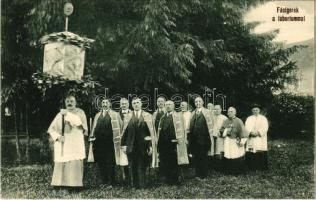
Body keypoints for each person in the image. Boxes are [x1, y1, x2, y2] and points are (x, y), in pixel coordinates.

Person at [47, 94, 88, 190]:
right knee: (62, 162)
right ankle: (59, 184)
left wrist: (67, 114)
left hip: (75, 142)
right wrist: (57, 137)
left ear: (76, 102)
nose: (69, 103)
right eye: (67, 101)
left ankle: (75, 185)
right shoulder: (60, 114)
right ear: (65, 103)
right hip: (63, 143)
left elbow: (80, 123)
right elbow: (51, 129)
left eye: (72, 101)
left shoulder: (80, 112)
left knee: (74, 162)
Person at [121, 97, 158, 188]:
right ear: (132, 105)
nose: (136, 105)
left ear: (141, 104)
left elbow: (151, 133)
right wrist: (124, 145)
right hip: (131, 145)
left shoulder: (147, 116)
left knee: (142, 165)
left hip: (143, 145)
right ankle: (134, 184)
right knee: (132, 165)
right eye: (134, 103)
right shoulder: (127, 116)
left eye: (137, 103)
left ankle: (142, 184)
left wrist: (150, 146)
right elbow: (124, 132)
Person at [90, 99, 123, 185]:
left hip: (110, 143)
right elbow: (94, 127)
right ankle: (104, 181)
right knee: (101, 161)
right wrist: (92, 137)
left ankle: (111, 182)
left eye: (106, 103)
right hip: (99, 143)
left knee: (110, 162)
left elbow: (121, 127)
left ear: (110, 104)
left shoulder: (115, 115)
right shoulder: (97, 115)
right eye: (103, 103)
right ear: (101, 104)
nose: (105, 104)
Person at [157, 101, 189, 185]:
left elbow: (183, 129)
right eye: (166, 105)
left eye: (170, 105)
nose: (168, 106)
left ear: (174, 106)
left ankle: (175, 180)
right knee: (165, 161)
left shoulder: (178, 116)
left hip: (173, 143)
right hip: (164, 143)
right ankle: (167, 179)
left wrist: (181, 140)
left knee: (174, 162)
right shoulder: (163, 117)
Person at [188, 96, 214, 178]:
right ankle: (197, 173)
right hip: (194, 139)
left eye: (199, 101)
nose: (198, 103)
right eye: (196, 102)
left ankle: (203, 174)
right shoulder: (193, 113)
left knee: (203, 156)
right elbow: (190, 126)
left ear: (202, 103)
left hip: (203, 139)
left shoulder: (207, 112)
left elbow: (211, 125)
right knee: (196, 156)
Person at [220, 107, 248, 174]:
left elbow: (243, 132)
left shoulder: (239, 121)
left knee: (235, 154)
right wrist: (226, 130)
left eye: (231, 111)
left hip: (235, 140)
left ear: (235, 112)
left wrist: (242, 141)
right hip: (227, 140)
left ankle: (236, 171)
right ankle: (228, 170)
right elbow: (221, 130)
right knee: (228, 154)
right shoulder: (225, 121)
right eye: (229, 112)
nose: (230, 113)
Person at [245, 105, 269, 170]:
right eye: (254, 110)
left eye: (256, 110)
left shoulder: (263, 118)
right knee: (251, 150)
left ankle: (261, 167)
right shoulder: (249, 118)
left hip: (260, 138)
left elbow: (265, 127)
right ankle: (251, 167)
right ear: (252, 111)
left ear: (259, 111)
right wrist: (250, 133)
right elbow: (246, 127)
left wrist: (258, 133)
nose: (255, 111)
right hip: (251, 137)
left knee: (260, 150)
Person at [212, 105, 228, 170]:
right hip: (212, 135)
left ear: (221, 109)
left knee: (220, 150)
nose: (216, 110)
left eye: (218, 109)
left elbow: (227, 128)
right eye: (215, 109)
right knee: (213, 149)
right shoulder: (211, 117)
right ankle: (214, 165)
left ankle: (221, 166)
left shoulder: (224, 118)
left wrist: (221, 132)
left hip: (220, 136)